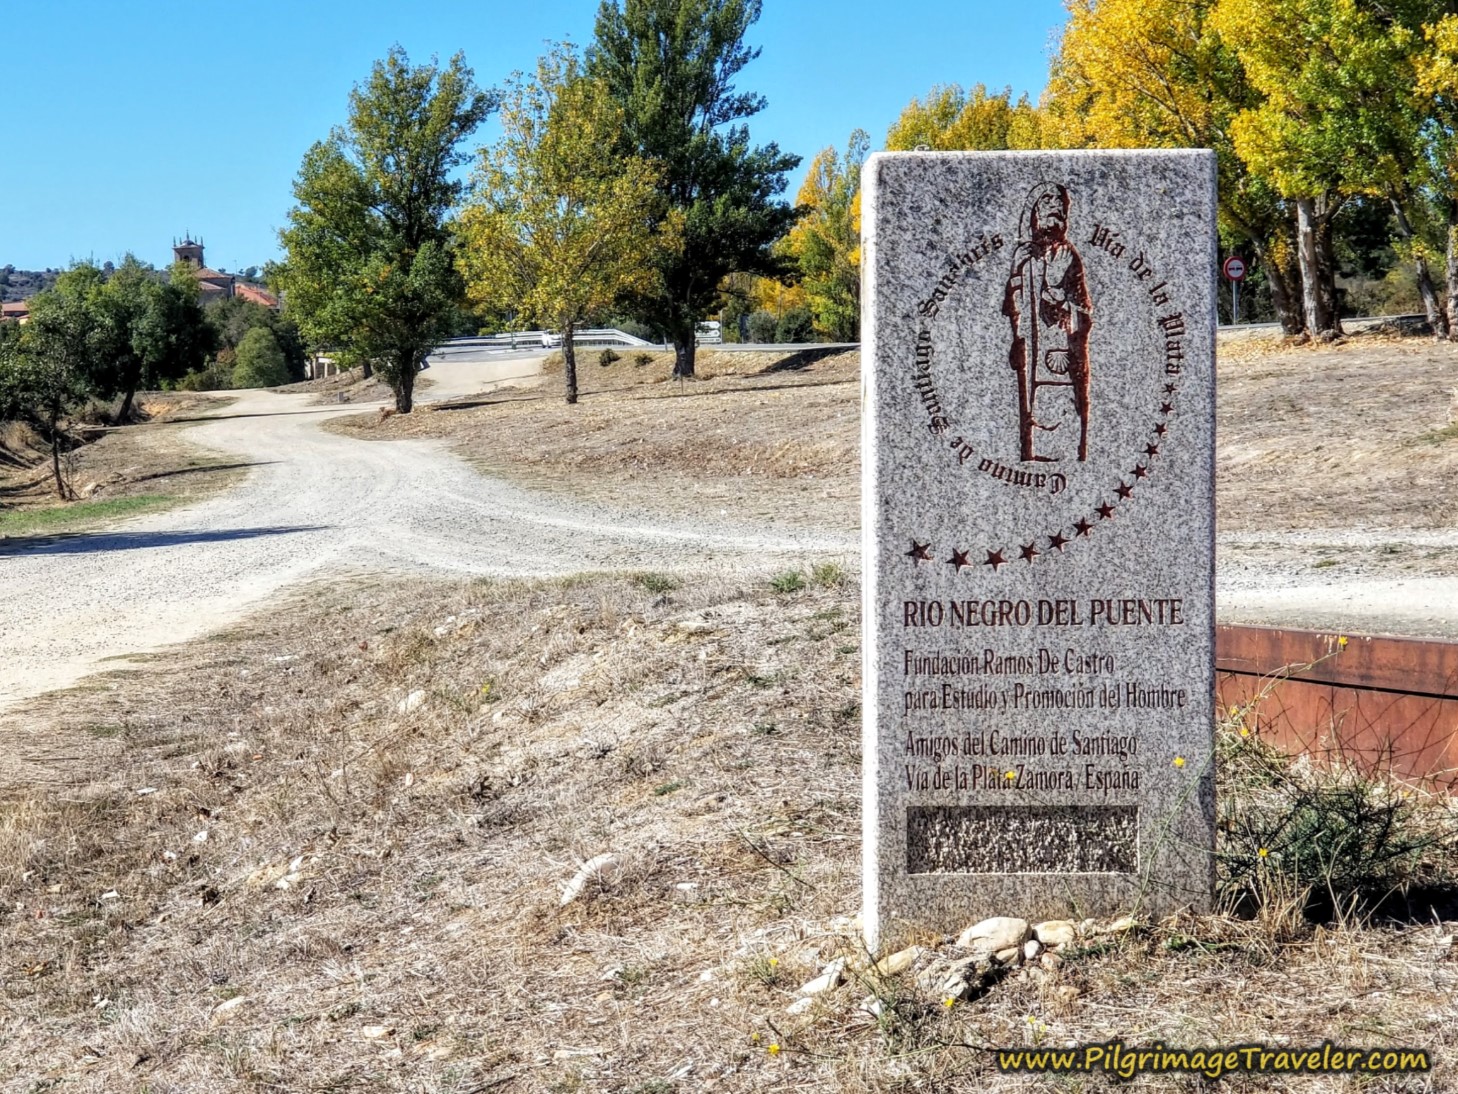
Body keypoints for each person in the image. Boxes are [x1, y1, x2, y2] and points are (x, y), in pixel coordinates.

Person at [1001, 182, 1093, 463]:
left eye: (1059, 206)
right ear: (1034, 212)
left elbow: (1083, 314)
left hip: (1058, 359)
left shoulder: (1067, 256)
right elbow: (1010, 307)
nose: (1054, 209)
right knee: (1028, 419)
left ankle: (1064, 461)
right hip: (1028, 357)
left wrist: (1055, 293)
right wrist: (1016, 275)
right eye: (1047, 202)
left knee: (1058, 422)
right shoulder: (1024, 256)